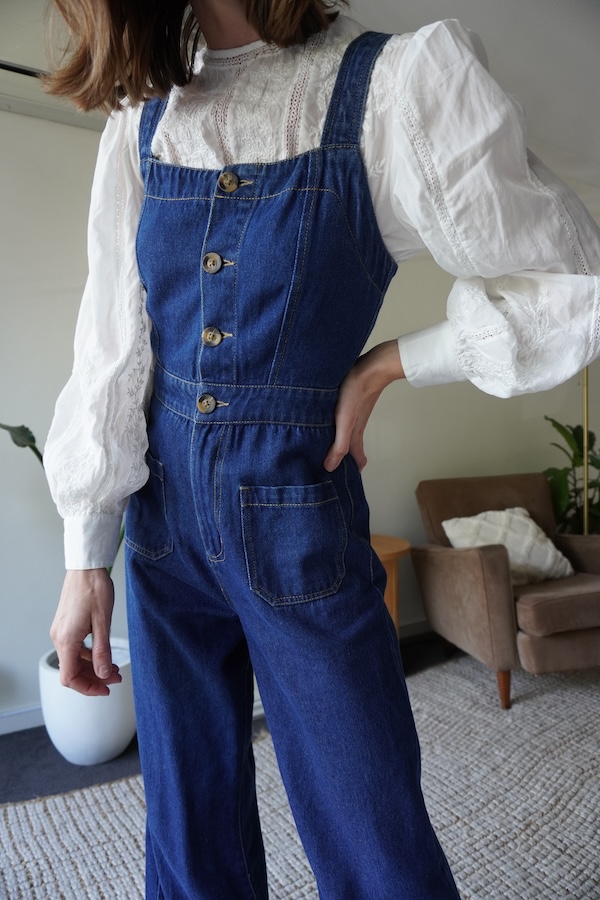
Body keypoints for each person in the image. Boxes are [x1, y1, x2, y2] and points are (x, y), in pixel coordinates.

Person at [44, 0, 600, 897]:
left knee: (371, 832)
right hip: (158, 527)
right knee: (189, 839)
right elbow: (113, 338)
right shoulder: (145, 110)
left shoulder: (391, 85)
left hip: (294, 515)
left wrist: (393, 363)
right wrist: (85, 552)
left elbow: (575, 281)